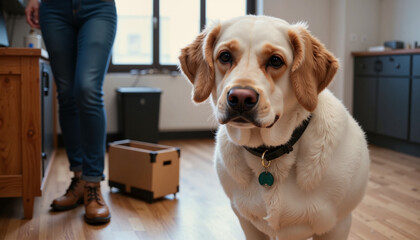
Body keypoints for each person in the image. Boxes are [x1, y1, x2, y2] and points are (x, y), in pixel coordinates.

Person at [25, 0, 117, 224]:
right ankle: (79, 180)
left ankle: (93, 183)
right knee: (66, 94)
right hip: (54, 9)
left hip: (98, 7)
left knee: (87, 88)